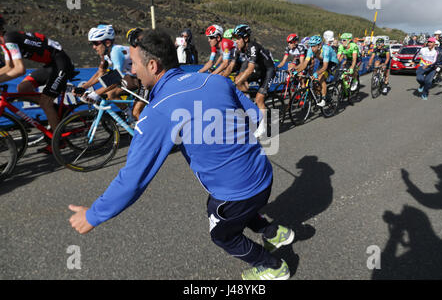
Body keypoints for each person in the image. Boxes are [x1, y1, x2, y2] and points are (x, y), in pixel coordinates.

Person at [68, 28, 295, 281]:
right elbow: (254, 117)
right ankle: (275, 232)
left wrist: (93, 215)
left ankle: (272, 266)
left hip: (235, 191)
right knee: (227, 207)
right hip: (262, 174)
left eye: (134, 64)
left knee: (222, 234)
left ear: (152, 65)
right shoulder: (217, 80)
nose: (132, 70)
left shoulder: (158, 112)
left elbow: (132, 180)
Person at [0, 14, 75, 152]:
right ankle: (57, 110)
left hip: (61, 62)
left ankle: (59, 142)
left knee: (45, 102)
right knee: (22, 88)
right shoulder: (4, 42)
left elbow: (19, 69)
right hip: (51, 64)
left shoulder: (9, 39)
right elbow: (8, 67)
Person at [77, 24, 141, 122]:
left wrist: (95, 93)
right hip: (131, 77)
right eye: (92, 44)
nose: (94, 47)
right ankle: (129, 114)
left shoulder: (116, 51)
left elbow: (117, 78)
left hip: (142, 78)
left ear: (107, 43)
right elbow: (99, 73)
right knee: (110, 94)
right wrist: (83, 87)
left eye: (96, 43)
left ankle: (137, 121)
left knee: (136, 112)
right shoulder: (105, 54)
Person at [233, 24, 276, 113]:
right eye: (235, 38)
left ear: (245, 39)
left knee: (259, 99)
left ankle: (263, 126)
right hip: (259, 70)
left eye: (238, 38)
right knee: (239, 79)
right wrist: (239, 80)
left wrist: (238, 81)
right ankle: (248, 104)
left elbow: (250, 69)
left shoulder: (253, 47)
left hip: (268, 71)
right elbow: (241, 66)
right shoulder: (242, 49)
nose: (235, 41)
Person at [295, 35, 339, 107]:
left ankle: (324, 99)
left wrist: (316, 73)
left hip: (332, 63)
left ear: (319, 45)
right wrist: (297, 71)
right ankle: (319, 95)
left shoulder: (326, 50)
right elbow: (305, 63)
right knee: (314, 80)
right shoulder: (310, 50)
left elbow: (325, 67)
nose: (312, 48)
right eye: (311, 46)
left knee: (321, 77)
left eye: (314, 46)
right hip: (323, 62)